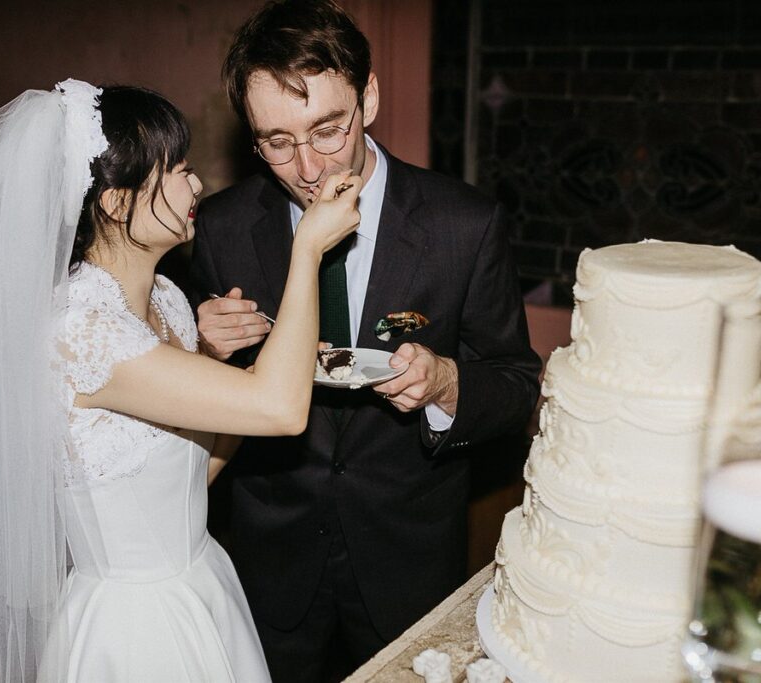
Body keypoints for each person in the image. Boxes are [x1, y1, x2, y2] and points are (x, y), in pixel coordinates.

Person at [0, 80, 361, 682]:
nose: (197, 183)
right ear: (117, 202)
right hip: (135, 624)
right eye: (176, 169)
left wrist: (255, 375)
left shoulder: (166, 300)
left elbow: (190, 470)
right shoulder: (79, 331)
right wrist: (307, 249)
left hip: (202, 580)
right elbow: (280, 412)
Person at [189, 1, 543, 679]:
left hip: (408, 558)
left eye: (327, 129)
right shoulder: (222, 229)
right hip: (271, 561)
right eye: (277, 141)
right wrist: (206, 353)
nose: (309, 167)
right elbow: (188, 403)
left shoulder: (462, 223)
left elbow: (516, 380)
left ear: (369, 97)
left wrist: (445, 382)